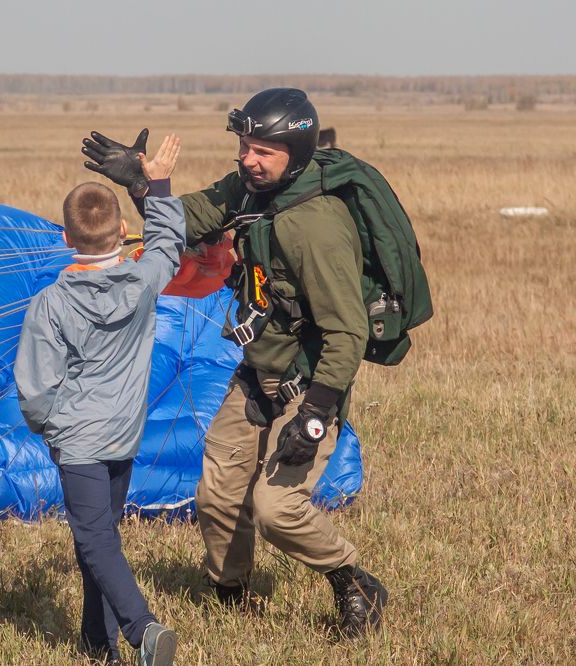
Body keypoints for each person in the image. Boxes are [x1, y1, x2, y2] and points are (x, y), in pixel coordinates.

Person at [81, 89, 388, 637]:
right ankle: (232, 599)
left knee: (276, 509)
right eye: (245, 147)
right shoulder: (249, 191)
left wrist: (314, 415)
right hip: (255, 377)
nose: (249, 159)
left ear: (294, 151)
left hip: (307, 385)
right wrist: (140, 184)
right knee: (216, 497)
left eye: (263, 151)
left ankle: (353, 580)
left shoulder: (315, 225)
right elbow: (185, 220)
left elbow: (348, 331)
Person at [15, 135, 185, 665]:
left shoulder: (49, 304)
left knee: (95, 541)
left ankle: (143, 630)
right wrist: (155, 181)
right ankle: (97, 643)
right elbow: (168, 243)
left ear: (65, 236)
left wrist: (49, 430)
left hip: (81, 442)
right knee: (100, 537)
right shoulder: (142, 280)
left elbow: (35, 387)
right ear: (121, 232)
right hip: (124, 436)